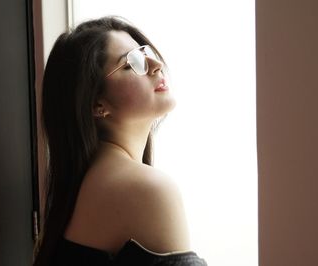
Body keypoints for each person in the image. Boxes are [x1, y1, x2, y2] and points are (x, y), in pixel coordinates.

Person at [33, 16, 207, 266]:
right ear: (97, 104)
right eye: (131, 63)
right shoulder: (146, 189)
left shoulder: (85, 182)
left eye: (145, 52)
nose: (156, 64)